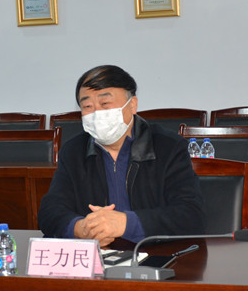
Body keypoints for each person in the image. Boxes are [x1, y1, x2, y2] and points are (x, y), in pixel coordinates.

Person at [38, 65, 205, 246]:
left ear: (132, 105)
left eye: (105, 104)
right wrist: (79, 228)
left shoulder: (168, 147)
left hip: (156, 253)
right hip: (98, 257)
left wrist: (126, 223)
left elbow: (191, 215)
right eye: (87, 106)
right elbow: (50, 211)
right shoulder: (73, 150)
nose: (97, 113)